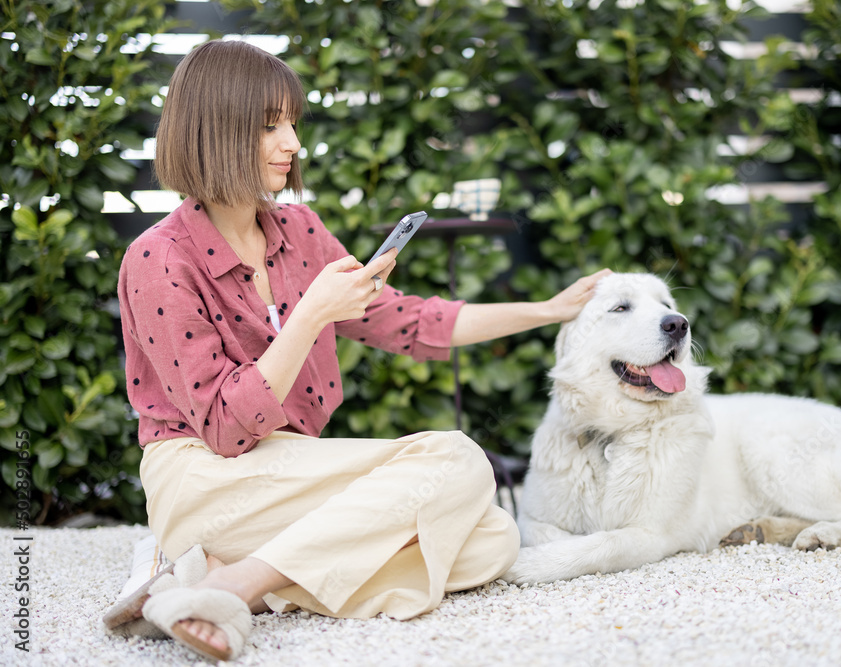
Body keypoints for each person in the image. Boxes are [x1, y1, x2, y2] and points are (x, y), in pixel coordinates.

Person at [103, 39, 609, 661]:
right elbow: (225, 429)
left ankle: (214, 579)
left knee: (492, 542)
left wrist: (550, 310)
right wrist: (311, 314)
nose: (292, 143)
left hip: (289, 470)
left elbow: (412, 321)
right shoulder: (157, 258)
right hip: (203, 476)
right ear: (214, 133)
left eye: (291, 122)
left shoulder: (299, 230)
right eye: (269, 127)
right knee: (456, 460)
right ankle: (236, 580)